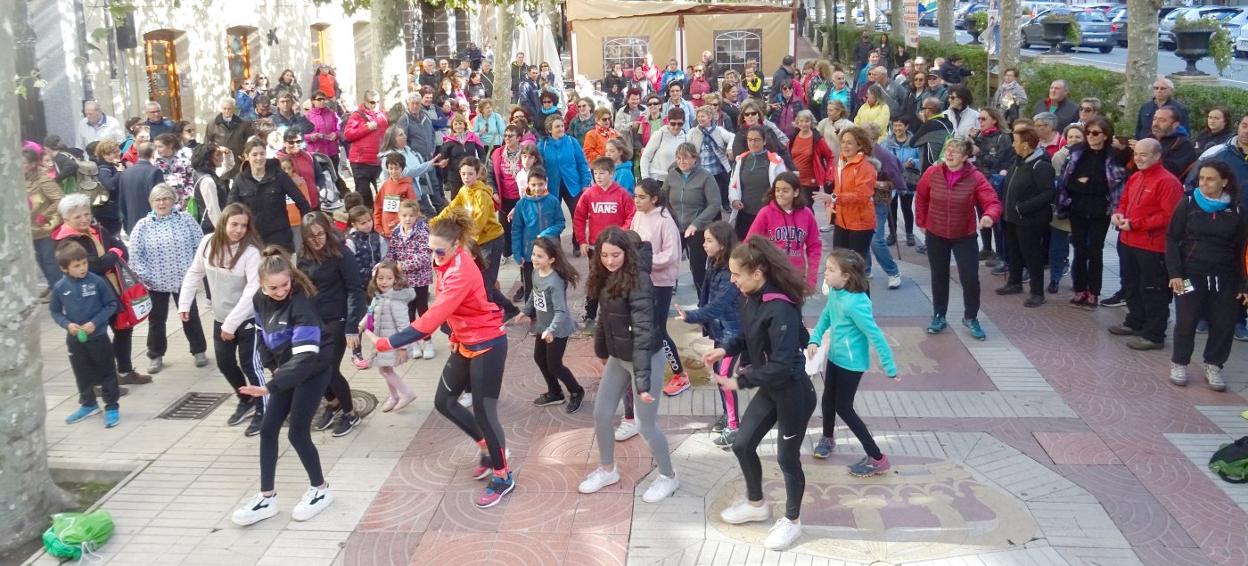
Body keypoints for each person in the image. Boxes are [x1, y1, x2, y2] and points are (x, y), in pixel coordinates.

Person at [365, 209, 514, 507]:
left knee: (485, 414)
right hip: (463, 342)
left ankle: (503, 475)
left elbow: (433, 316)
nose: (435, 255)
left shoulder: (461, 270)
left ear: (458, 245)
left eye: (440, 250)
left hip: (487, 343)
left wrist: (388, 342)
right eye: (430, 250)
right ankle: (486, 448)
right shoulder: (443, 260)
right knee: (443, 402)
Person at [703, 236, 816, 552]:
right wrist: (724, 348)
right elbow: (746, 334)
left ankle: (792, 521)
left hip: (793, 392)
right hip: (770, 389)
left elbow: (781, 364)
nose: (733, 280)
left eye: (737, 274)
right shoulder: (749, 297)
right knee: (742, 444)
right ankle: (756, 504)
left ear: (757, 272)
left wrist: (741, 382)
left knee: (787, 458)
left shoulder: (780, 308)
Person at [230, 247, 335, 527]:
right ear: (262, 286)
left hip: (313, 370)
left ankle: (321, 489)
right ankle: (267, 497)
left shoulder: (303, 305)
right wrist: (273, 369)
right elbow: (262, 336)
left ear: (292, 278)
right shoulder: (259, 299)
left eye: (285, 285)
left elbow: (306, 356)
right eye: (272, 287)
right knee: (268, 429)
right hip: (285, 370)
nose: (280, 291)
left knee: (298, 434)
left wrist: (272, 385)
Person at [578, 227, 680, 505]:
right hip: (618, 357)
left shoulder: (639, 281)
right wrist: (601, 349)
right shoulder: (605, 276)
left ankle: (669, 476)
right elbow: (604, 318)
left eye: (616, 255)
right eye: (605, 255)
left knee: (647, 426)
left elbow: (645, 333)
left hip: (645, 359)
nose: (610, 260)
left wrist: (643, 383)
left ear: (627, 253)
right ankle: (608, 469)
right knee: (601, 414)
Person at [808, 248, 899, 472]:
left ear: (846, 276)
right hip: (836, 358)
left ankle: (877, 458)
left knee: (844, 408)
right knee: (828, 399)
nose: (825, 274)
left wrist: (889, 366)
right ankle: (827, 438)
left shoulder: (856, 303)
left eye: (830, 270)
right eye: (826, 269)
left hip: (852, 364)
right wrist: (815, 339)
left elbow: (875, 334)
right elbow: (826, 316)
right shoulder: (837, 294)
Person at [179, 203, 266, 434]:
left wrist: (231, 324)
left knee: (251, 365)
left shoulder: (251, 252)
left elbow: (251, 292)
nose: (238, 230)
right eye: (234, 224)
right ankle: (244, 398)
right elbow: (195, 272)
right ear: (223, 223)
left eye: (243, 226)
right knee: (225, 363)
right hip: (221, 316)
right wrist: (184, 303)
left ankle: (263, 408)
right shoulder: (208, 243)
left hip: (247, 320)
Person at [52, 193, 151, 386]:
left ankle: (124, 370)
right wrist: (113, 254)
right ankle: (99, 383)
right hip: (85, 296)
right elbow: (94, 266)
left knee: (123, 328)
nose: (84, 219)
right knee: (96, 337)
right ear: (66, 220)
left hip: (111, 288)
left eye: (86, 214)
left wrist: (113, 253)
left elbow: (121, 246)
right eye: (78, 217)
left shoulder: (96, 229)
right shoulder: (66, 241)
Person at [1166, 161, 1246, 391]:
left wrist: (1244, 283)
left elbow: (1244, 248)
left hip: (1225, 278)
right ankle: (1179, 363)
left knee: (1223, 324)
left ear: (1224, 182)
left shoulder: (1237, 210)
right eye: (1201, 178)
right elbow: (1172, 238)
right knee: (1186, 320)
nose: (1204, 183)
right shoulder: (1188, 203)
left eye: (1210, 179)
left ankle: (1214, 365)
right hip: (1190, 275)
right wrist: (1175, 273)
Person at [916, 136, 1002, 340]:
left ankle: (971, 317)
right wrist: (922, 223)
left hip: (964, 234)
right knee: (938, 275)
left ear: (965, 156)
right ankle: (939, 315)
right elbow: (921, 196)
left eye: (955, 150)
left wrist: (989, 216)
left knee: (970, 278)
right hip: (936, 233)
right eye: (948, 149)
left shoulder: (975, 177)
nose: (950, 153)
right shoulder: (932, 172)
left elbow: (992, 201)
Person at [1108, 138, 1184, 351]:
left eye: (1144, 154)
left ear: (1157, 156)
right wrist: (1118, 214)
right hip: (1129, 240)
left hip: (1152, 246)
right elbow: (1123, 201)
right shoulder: (1136, 177)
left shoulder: (1167, 182)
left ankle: (1154, 334)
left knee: (1153, 290)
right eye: (1136, 153)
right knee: (1131, 284)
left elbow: (1170, 216)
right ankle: (1135, 321)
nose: (1138, 158)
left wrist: (1136, 224)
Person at [128, 184, 208, 373]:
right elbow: (135, 255)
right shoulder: (143, 226)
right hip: (155, 282)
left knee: (190, 315)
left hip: (184, 279)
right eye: (157, 199)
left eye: (166, 198)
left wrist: (196, 270)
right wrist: (145, 276)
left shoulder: (185, 220)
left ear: (173, 200)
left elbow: (200, 245)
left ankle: (199, 351)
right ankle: (155, 355)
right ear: (151, 203)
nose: (162, 203)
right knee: (156, 319)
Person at [677, 221, 742, 447]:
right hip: (720, 330)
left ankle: (734, 426)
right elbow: (707, 296)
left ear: (722, 244)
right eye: (704, 240)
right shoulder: (714, 262)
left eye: (708, 241)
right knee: (718, 372)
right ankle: (728, 414)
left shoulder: (731, 272)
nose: (703, 245)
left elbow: (719, 305)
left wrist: (692, 316)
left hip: (732, 334)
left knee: (724, 375)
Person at [434, 157, 520, 320]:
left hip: (491, 241)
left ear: (477, 174)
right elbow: (451, 209)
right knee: (482, 280)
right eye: (463, 174)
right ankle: (510, 309)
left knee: (485, 282)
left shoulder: (482, 195)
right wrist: (434, 222)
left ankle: (489, 318)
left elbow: (478, 223)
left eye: (470, 174)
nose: (466, 177)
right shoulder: (463, 191)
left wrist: (463, 240)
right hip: (476, 242)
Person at [1057, 117, 1128, 310]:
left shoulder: (1113, 156)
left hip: (1100, 210)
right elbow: (1068, 181)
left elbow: (1114, 184)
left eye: (1095, 133)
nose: (1090, 136)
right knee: (1079, 249)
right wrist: (1083, 184)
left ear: (1105, 135)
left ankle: (1093, 292)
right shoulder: (1078, 153)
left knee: (1095, 250)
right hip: (1078, 208)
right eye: (1088, 132)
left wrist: (1087, 183)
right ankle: (1079, 289)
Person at [51, 242, 121, 427]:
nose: (82, 268)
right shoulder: (59, 287)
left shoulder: (97, 281)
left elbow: (112, 305)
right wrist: (67, 324)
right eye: (76, 265)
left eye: (84, 263)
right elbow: (55, 312)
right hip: (75, 339)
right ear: (64, 268)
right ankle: (89, 404)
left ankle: (112, 406)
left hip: (98, 337)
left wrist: (94, 323)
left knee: (107, 372)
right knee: (81, 373)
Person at [631, 179, 690, 397]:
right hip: (641, 280)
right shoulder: (638, 215)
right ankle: (648, 369)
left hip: (660, 283)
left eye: (642, 197)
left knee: (658, 329)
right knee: (643, 327)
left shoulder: (665, 220)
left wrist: (645, 262)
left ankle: (680, 375)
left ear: (654, 199)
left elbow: (671, 255)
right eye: (635, 196)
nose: (636, 201)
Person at [574, 157, 638, 332]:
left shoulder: (622, 194)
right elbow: (579, 217)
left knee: (617, 281)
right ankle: (590, 314)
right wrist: (581, 241)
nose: (599, 177)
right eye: (596, 173)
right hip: (595, 247)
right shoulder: (588, 194)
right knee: (595, 280)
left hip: (616, 248)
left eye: (602, 173)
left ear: (612, 174)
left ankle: (615, 315)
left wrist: (621, 234)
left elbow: (631, 215)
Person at [523, 236, 586, 412]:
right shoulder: (536, 272)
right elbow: (534, 294)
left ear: (551, 259)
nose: (534, 258)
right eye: (534, 254)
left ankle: (576, 391)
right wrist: (525, 311)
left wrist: (551, 330)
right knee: (539, 358)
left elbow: (561, 311)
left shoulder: (555, 282)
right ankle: (555, 392)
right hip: (543, 327)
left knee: (554, 364)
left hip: (557, 329)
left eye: (540, 256)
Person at [995, 124, 1055, 307]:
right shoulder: (1018, 160)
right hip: (1012, 217)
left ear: (1026, 145)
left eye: (1016, 141)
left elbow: (1048, 194)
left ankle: (1037, 292)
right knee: (1013, 251)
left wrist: (1023, 208)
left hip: (1030, 220)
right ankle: (1014, 282)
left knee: (1031, 255)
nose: (1013, 145)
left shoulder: (1041, 165)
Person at [228, 139, 312, 251]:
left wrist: (307, 226)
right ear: (247, 156)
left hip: (280, 237)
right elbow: (231, 209)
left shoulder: (279, 175)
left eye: (262, 154)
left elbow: (301, 201)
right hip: (253, 238)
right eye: (255, 154)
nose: (259, 158)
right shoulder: (240, 179)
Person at [661, 143, 720, 297]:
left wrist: (696, 223)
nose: (682, 162)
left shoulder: (705, 176)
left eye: (686, 158)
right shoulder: (672, 175)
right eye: (679, 158)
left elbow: (714, 204)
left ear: (695, 158)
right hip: (675, 227)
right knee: (669, 264)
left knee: (698, 267)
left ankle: (704, 302)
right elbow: (662, 198)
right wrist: (668, 217)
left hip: (697, 229)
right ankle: (664, 297)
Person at [747, 171, 821, 290]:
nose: (780, 194)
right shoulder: (765, 213)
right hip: (771, 275)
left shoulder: (806, 214)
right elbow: (750, 243)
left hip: (795, 276)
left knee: (793, 308)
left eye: (785, 190)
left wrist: (811, 279)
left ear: (796, 192)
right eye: (777, 190)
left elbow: (814, 247)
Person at [362, 260, 418, 412]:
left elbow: (404, 326)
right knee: (384, 369)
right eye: (380, 278)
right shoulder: (379, 297)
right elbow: (371, 312)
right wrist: (362, 324)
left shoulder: (396, 301)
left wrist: (403, 347)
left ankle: (406, 393)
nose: (384, 282)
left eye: (388, 278)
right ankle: (394, 397)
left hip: (393, 342)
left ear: (396, 279)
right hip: (383, 341)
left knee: (385, 370)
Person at [383, 200, 434, 358]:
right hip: (404, 281)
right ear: (399, 216)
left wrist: (403, 265)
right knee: (408, 311)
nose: (408, 219)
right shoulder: (396, 232)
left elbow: (425, 256)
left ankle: (427, 341)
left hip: (420, 279)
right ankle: (414, 342)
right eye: (404, 215)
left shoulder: (423, 231)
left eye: (411, 216)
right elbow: (392, 252)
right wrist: (386, 265)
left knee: (423, 310)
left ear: (417, 216)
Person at [538, 117, 592, 253]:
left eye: (562, 126)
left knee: (577, 215)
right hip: (552, 186)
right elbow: (538, 167)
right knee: (553, 218)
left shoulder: (571, 142)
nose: (561, 129)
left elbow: (582, 163)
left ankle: (577, 243)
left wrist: (585, 183)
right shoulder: (542, 146)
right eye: (557, 126)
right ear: (549, 130)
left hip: (573, 185)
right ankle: (556, 247)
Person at [511, 167, 565, 301]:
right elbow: (516, 229)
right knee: (530, 285)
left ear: (546, 182)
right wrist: (517, 254)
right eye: (533, 185)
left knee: (553, 282)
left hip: (550, 251)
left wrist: (547, 233)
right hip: (530, 253)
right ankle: (531, 314)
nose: (537, 188)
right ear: (528, 184)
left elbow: (560, 223)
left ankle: (554, 310)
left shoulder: (553, 201)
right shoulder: (522, 204)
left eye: (540, 184)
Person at [729, 125, 788, 240]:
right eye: (750, 140)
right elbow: (733, 184)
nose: (753, 143)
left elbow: (784, 187)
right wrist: (734, 199)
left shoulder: (776, 162)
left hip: (767, 216)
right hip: (744, 215)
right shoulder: (741, 160)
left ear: (764, 141)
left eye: (757, 140)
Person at [973, 108, 1014, 267]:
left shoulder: (1002, 138)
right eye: (979, 119)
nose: (980, 122)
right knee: (981, 214)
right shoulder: (980, 136)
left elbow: (998, 161)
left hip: (994, 183)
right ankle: (987, 248)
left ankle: (999, 252)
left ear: (994, 120)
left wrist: (979, 152)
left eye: (983, 119)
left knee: (995, 217)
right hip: (980, 181)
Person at [830, 126, 879, 261]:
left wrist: (834, 198)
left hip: (860, 223)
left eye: (849, 142)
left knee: (855, 265)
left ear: (859, 146)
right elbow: (837, 188)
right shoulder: (840, 162)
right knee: (839, 261)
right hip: (842, 221)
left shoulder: (866, 167)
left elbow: (862, 196)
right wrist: (830, 204)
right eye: (843, 142)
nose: (845, 146)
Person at [344, 90, 390, 208]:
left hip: (378, 160)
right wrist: (366, 128)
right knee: (364, 194)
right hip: (361, 162)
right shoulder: (357, 115)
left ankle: (381, 219)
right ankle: (367, 220)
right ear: (365, 102)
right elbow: (347, 135)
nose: (375, 105)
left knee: (383, 193)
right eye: (372, 102)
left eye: (378, 102)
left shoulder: (382, 115)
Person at [26, 149, 64, 292]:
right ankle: (51, 284)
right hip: (31, 229)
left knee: (49, 261)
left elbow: (59, 198)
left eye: (24, 163)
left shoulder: (44, 180)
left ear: (33, 164)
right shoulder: (22, 180)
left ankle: (58, 289)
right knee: (40, 260)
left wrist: (46, 214)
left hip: (46, 228)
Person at [884, 118, 920, 248]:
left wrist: (913, 162)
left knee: (906, 207)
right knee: (891, 208)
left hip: (907, 179)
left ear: (906, 126)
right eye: (895, 126)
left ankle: (909, 234)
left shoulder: (915, 142)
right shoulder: (886, 142)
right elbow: (881, 158)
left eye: (900, 126)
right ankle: (892, 234)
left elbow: (920, 158)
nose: (897, 129)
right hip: (891, 179)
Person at [118, 142, 165, 234]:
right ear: (153, 154)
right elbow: (159, 199)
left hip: (131, 225)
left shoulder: (125, 173)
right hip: (151, 226)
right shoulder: (155, 172)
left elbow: (121, 200)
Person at [189, 142, 233, 234]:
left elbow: (228, 165)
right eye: (218, 154)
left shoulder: (199, 172)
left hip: (209, 226)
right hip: (210, 228)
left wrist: (228, 152)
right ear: (208, 158)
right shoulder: (208, 181)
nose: (221, 157)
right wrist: (223, 232)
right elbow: (213, 210)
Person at [1148, 106, 1198, 181]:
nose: (1155, 123)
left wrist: (1147, 154)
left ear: (1175, 124)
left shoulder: (1183, 144)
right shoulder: (1149, 138)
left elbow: (1172, 171)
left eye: (1162, 120)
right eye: (1154, 119)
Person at [640, 108, 688, 183]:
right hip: (657, 179)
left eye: (680, 124)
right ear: (668, 122)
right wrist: (645, 178)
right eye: (673, 123)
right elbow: (645, 156)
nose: (676, 127)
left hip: (676, 179)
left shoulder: (684, 137)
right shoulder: (660, 134)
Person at [305, 91, 341, 167]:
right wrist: (311, 137)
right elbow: (302, 135)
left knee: (334, 176)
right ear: (313, 101)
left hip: (332, 152)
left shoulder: (332, 113)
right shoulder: (308, 116)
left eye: (323, 99)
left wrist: (336, 134)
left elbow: (340, 129)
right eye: (319, 99)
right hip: (317, 154)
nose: (322, 101)